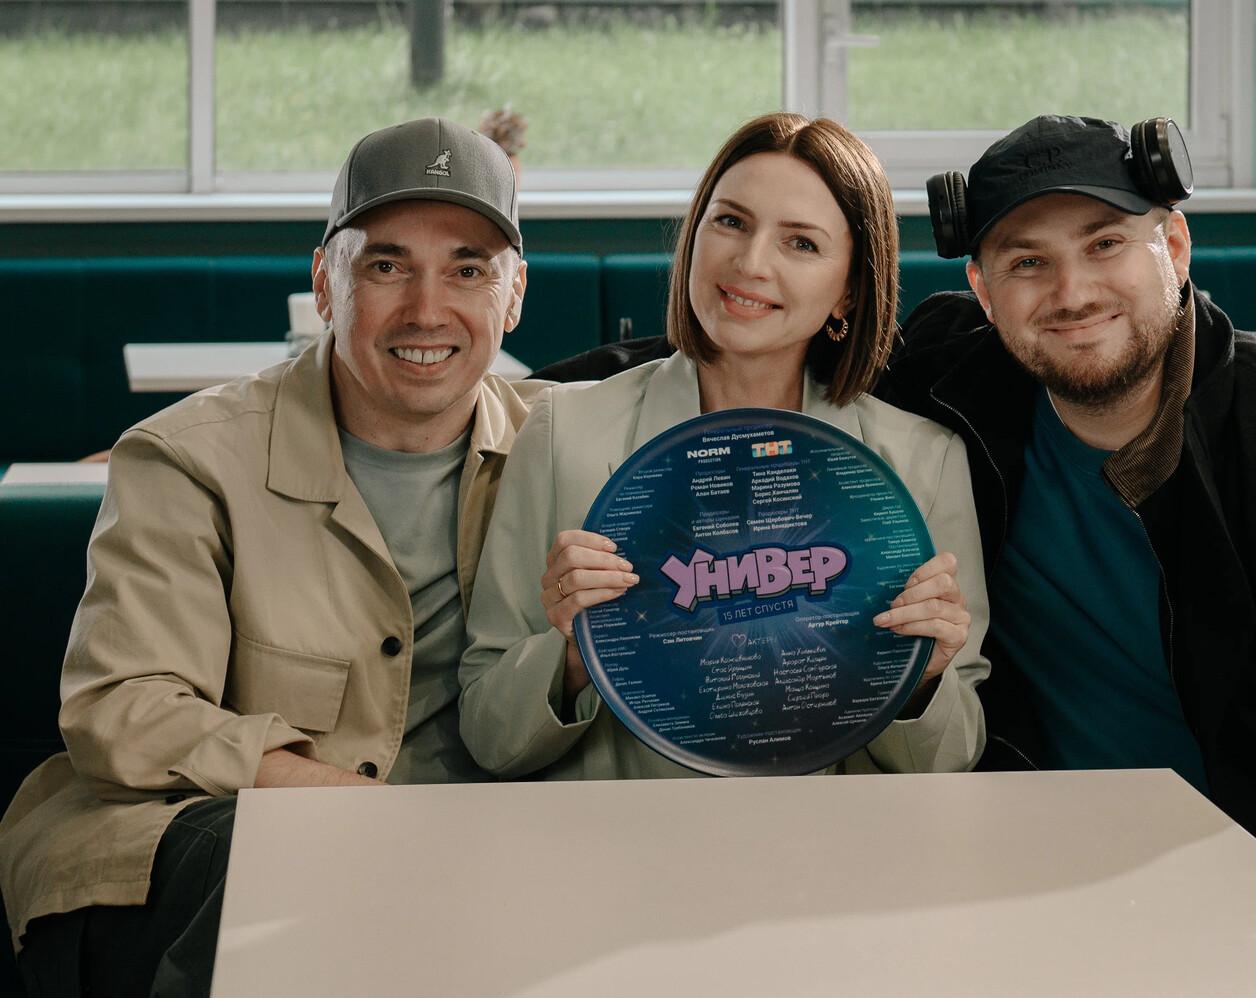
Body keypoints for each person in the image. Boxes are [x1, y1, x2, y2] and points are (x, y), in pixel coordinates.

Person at [879, 114, 1256, 992]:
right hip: (1043, 894)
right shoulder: (952, 386)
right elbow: (774, 357)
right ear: (983, 291)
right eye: (1027, 263)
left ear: (1173, 245)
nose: (1071, 291)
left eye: (1105, 244)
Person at [0, 117, 534, 997]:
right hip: (192, 855)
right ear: (324, 283)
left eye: (468, 270)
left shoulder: (570, 452)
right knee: (296, 886)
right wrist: (365, 814)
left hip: (460, 868)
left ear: (513, 296)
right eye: (386, 266)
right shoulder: (187, 457)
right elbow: (123, 709)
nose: (427, 309)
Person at [457, 112, 988, 780]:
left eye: (801, 243)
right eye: (731, 222)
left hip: (834, 840)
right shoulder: (563, 432)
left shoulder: (924, 463)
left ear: (850, 289)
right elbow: (489, 737)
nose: (750, 262)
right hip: (621, 837)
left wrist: (922, 678)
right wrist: (572, 655)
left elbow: (951, 762)